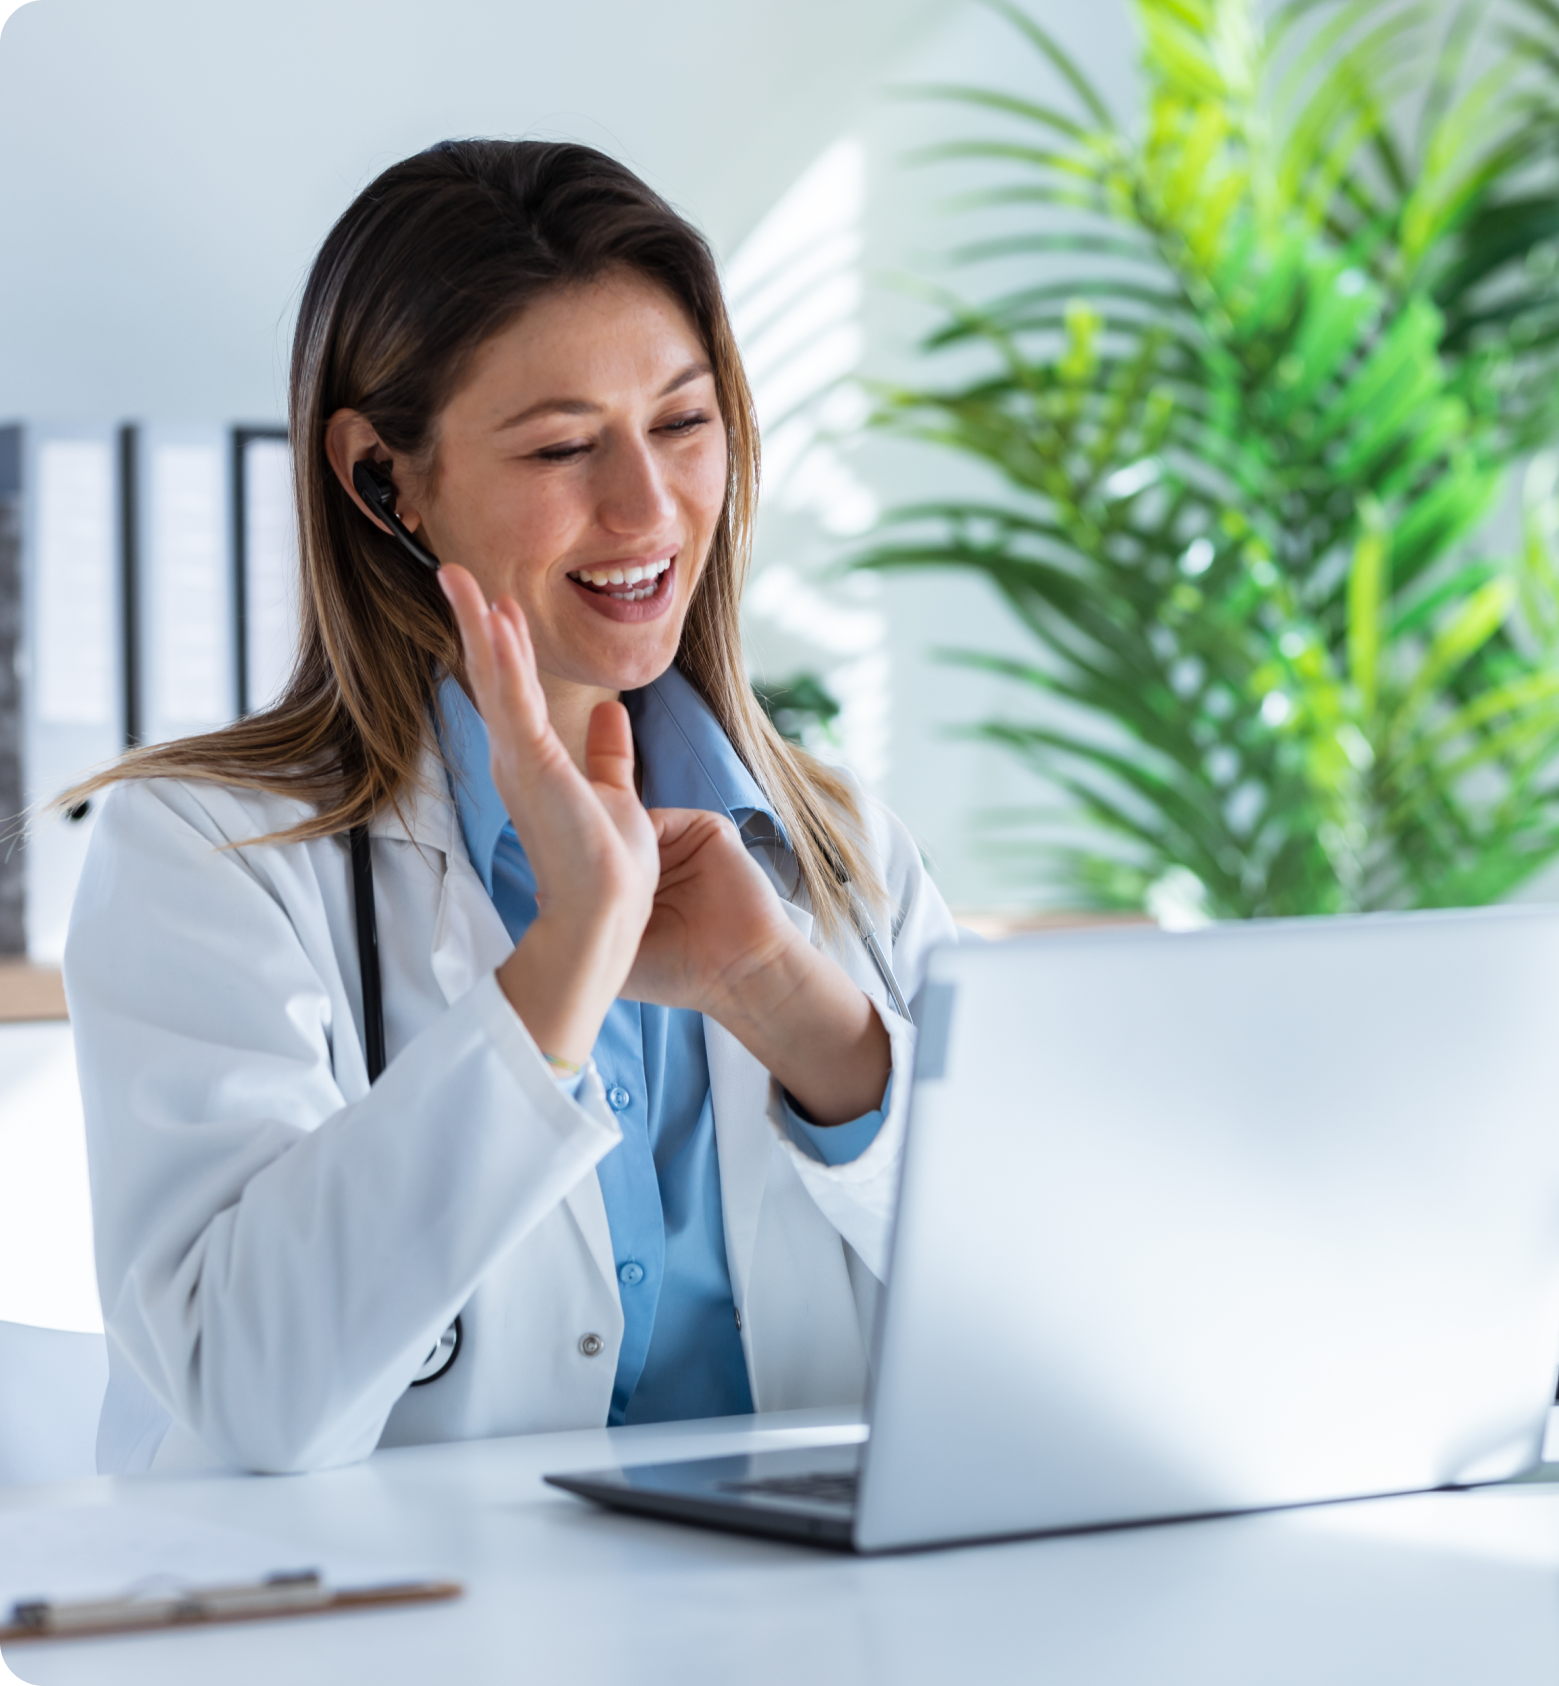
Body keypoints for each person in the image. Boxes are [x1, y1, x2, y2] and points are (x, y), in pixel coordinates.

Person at [62, 140, 956, 1476]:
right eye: (562, 445)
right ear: (385, 481)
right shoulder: (207, 853)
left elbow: (1059, 1318)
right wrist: (555, 977)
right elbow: (241, 1397)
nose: (648, 506)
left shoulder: (837, 848)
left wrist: (792, 1001)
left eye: (683, 421)